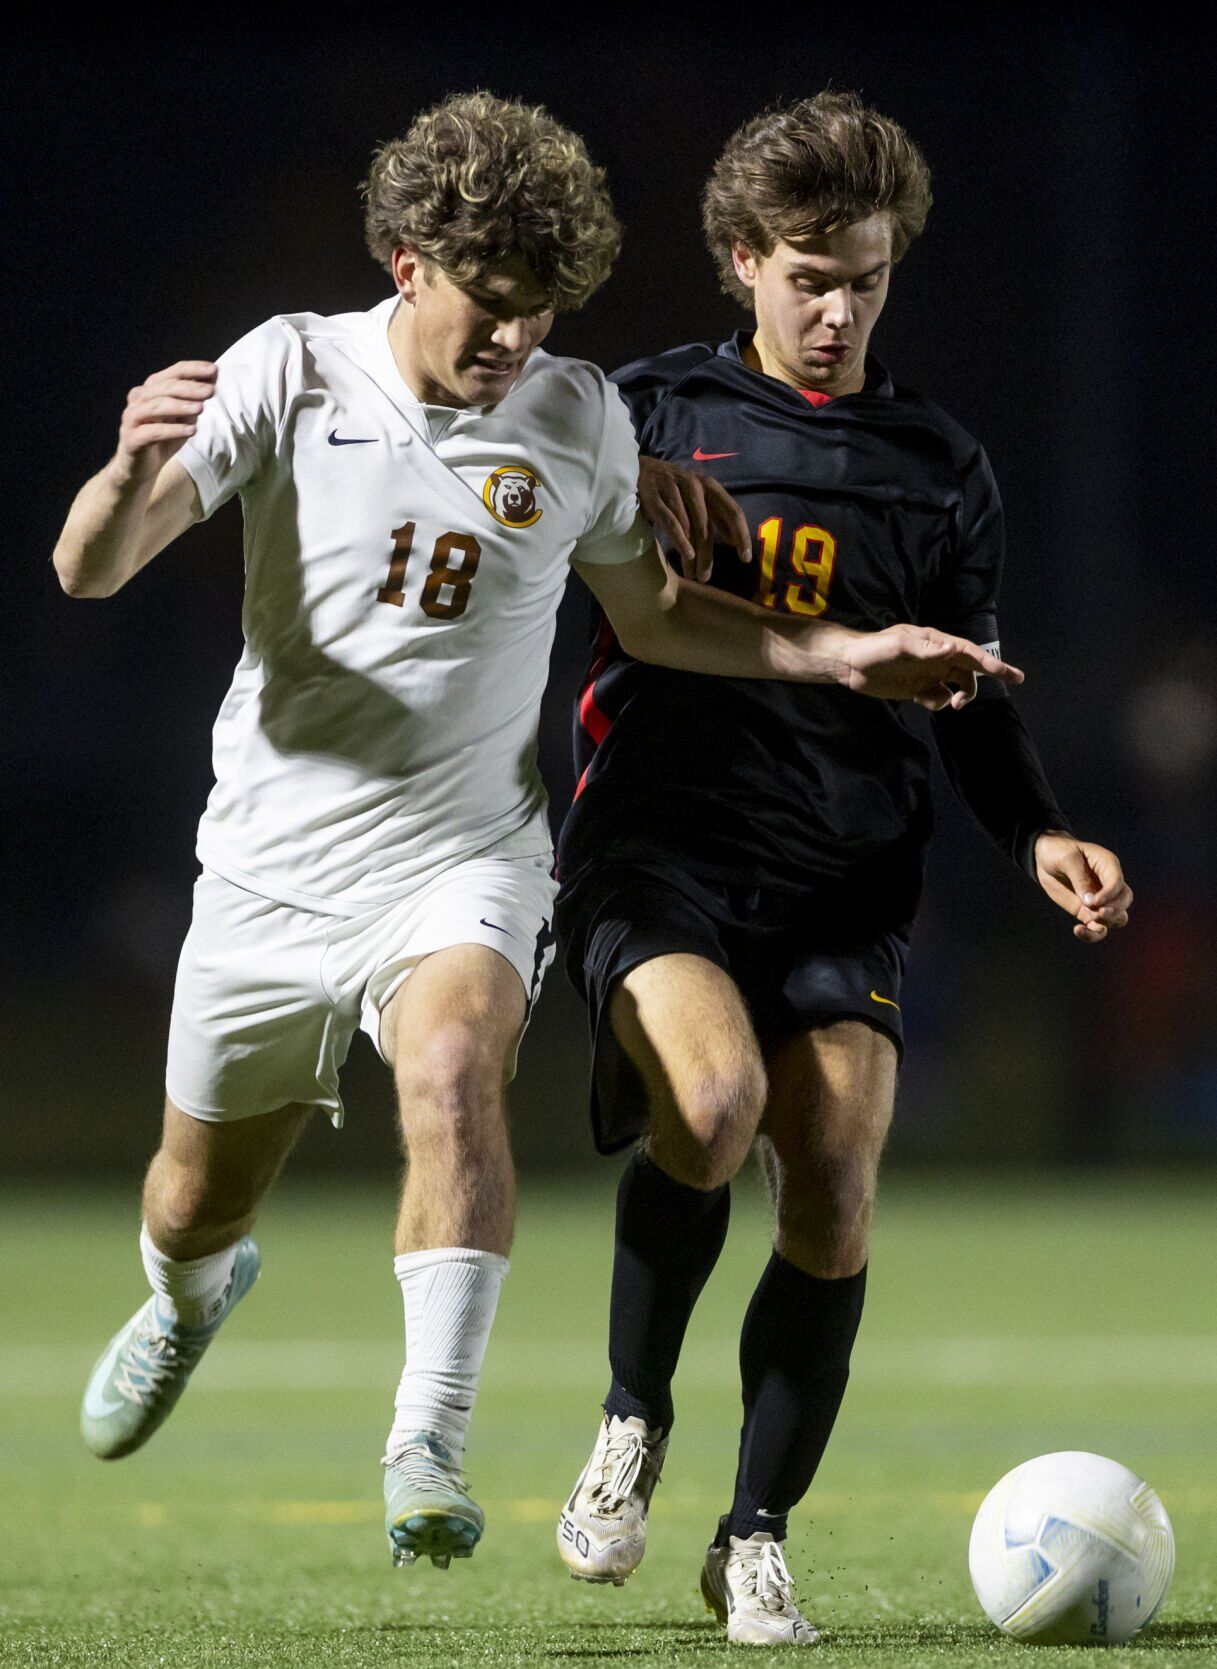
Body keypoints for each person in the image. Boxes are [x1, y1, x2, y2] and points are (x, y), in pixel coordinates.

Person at [52, 92, 1012, 1576]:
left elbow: (658, 618)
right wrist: (123, 472)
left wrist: (841, 653)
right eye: (486, 308)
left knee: (452, 1067)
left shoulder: (572, 414)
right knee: (188, 1202)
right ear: (404, 264)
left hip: (464, 854)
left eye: (539, 313)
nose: (510, 341)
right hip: (263, 870)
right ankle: (188, 1297)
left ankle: (425, 1442)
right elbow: (91, 569)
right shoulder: (289, 369)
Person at [554, 92, 1132, 1642]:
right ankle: (630, 1415)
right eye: (807, 275)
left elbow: (970, 696)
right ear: (741, 261)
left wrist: (1040, 832)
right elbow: (505, 512)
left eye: (864, 277)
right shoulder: (638, 413)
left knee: (832, 1189)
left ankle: (753, 1534)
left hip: (844, 874)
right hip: (659, 847)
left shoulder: (937, 465)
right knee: (715, 1099)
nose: (835, 309)